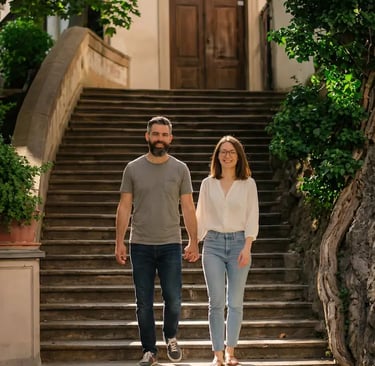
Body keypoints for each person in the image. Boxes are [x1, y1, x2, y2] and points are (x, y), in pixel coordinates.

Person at [115, 116, 199, 366]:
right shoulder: (132, 168)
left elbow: (188, 206)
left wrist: (194, 241)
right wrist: (119, 241)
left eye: (164, 135)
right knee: (143, 302)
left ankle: (170, 336)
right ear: (147, 136)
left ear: (170, 139)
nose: (159, 139)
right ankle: (149, 350)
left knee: (173, 298)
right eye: (155, 134)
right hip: (140, 244)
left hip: (171, 244)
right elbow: (124, 206)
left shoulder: (180, 169)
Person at [196, 135, 259, 366]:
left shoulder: (248, 184)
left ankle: (231, 352)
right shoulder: (207, 183)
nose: (227, 155)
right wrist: (194, 242)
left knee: (235, 302)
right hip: (212, 244)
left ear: (238, 156)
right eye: (223, 151)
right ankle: (217, 354)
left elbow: (253, 216)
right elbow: (200, 215)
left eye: (232, 151)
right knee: (216, 302)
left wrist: (247, 246)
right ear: (217, 156)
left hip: (238, 244)